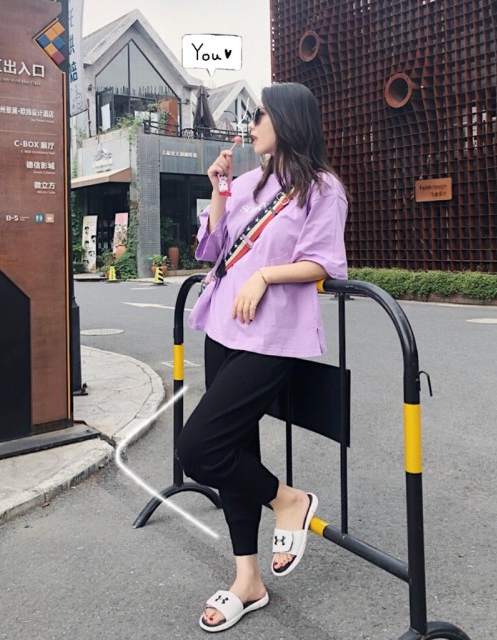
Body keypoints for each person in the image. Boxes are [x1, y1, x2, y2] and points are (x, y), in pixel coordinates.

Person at [176, 82, 348, 632]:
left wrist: (267, 275)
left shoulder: (321, 189)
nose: (251, 125)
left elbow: (325, 263)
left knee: (199, 448)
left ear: (289, 120)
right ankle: (246, 579)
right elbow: (211, 248)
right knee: (233, 446)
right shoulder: (251, 181)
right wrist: (219, 192)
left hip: (272, 338)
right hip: (222, 329)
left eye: (260, 115)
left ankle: (289, 501)